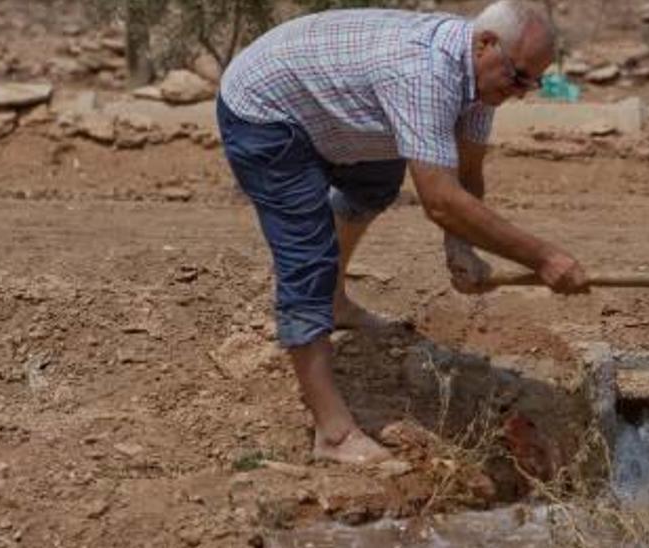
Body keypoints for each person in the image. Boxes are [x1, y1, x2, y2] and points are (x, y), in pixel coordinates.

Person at [216, 0, 588, 465]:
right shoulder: (423, 73)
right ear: (486, 44)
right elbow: (439, 200)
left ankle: (334, 303)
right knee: (307, 257)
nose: (522, 92)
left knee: (375, 182)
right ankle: (332, 433)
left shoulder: (479, 77)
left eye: (533, 82)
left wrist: (461, 248)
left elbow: (466, 171)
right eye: (518, 78)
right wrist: (545, 258)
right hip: (265, 113)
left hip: (330, 108)